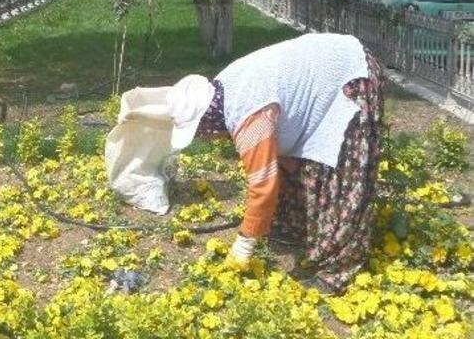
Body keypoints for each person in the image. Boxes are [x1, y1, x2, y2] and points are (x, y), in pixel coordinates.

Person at [115, 34, 384, 294]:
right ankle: (298, 231)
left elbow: (263, 185)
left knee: (343, 175)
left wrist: (245, 244)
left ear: (209, 123)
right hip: (322, 70)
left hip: (348, 74)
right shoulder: (221, 89)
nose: (208, 139)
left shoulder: (248, 115)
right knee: (297, 167)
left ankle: (337, 270)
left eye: (203, 133)